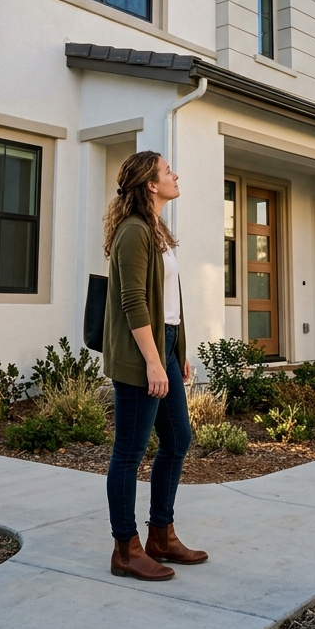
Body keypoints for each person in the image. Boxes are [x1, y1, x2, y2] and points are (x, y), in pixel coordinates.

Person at [102, 149, 208, 580]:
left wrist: (177, 353)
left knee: (178, 438)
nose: (175, 175)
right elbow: (133, 302)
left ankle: (160, 535)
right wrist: (152, 361)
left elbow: (170, 302)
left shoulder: (156, 229)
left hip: (162, 348)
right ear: (150, 183)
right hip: (139, 353)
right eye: (168, 171)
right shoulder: (132, 231)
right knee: (128, 452)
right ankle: (125, 548)